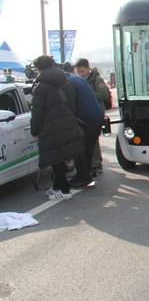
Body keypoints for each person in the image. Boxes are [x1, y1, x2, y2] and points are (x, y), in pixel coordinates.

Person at [30, 55, 85, 200]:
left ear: (39, 69)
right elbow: (74, 103)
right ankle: (57, 187)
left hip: (51, 127)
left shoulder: (41, 87)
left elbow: (37, 112)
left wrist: (34, 130)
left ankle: (64, 190)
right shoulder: (66, 81)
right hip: (68, 124)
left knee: (56, 159)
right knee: (62, 156)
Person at [61, 62, 103, 189]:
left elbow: (70, 104)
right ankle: (83, 175)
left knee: (80, 149)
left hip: (88, 120)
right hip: (95, 117)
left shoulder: (69, 83)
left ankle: (85, 178)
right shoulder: (75, 79)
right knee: (86, 149)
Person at [75, 57, 109, 177]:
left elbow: (104, 94)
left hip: (96, 114)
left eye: (82, 71)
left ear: (88, 68)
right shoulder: (79, 80)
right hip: (85, 114)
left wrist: (88, 94)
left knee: (93, 141)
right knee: (88, 141)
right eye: (78, 72)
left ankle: (96, 164)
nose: (80, 74)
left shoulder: (96, 79)